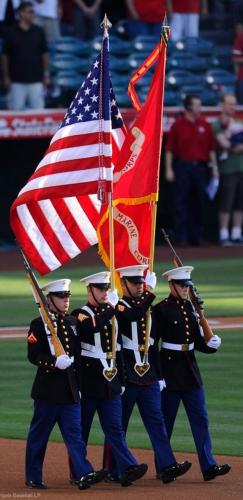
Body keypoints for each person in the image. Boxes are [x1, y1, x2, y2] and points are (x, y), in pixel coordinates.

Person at [103, 265, 192, 484]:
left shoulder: (147, 308)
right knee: (119, 425)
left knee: (157, 423)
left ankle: (167, 465)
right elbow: (133, 316)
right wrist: (151, 291)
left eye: (141, 282)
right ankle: (115, 470)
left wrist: (159, 375)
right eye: (135, 283)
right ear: (123, 284)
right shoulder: (119, 306)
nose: (140, 286)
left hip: (149, 374)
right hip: (127, 375)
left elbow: (153, 345)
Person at [25, 279, 106, 490]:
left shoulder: (72, 322)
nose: (66, 300)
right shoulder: (39, 324)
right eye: (61, 297)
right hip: (48, 393)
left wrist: (110, 308)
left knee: (75, 437)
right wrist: (53, 362)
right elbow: (33, 355)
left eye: (67, 296)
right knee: (39, 437)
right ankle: (33, 476)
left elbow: (78, 357)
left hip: (70, 391)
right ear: (50, 300)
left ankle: (84, 473)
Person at [70, 271, 148, 487]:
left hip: (111, 381)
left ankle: (128, 467)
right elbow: (88, 328)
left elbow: (119, 348)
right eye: (100, 289)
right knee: (82, 429)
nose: (105, 292)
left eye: (106, 288)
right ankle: (78, 472)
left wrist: (122, 380)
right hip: (89, 381)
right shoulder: (80, 314)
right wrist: (112, 308)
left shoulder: (113, 313)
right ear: (89, 290)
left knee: (115, 428)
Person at [154, 266, 231, 482]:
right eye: (181, 285)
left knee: (200, 419)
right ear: (171, 286)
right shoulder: (161, 309)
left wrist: (211, 345)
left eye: (187, 286)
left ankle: (208, 466)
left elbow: (197, 342)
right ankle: (163, 466)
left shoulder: (191, 308)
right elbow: (153, 346)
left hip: (190, 371)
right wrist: (158, 375)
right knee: (165, 422)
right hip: (169, 372)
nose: (185, 290)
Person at [165, 94, 219, 246]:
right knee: (181, 202)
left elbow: (211, 149)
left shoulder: (204, 124)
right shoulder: (178, 125)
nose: (199, 108)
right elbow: (169, 149)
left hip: (200, 167)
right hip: (183, 166)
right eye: (197, 105)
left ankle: (197, 236)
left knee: (200, 202)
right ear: (188, 107)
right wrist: (169, 169)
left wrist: (214, 168)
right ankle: (181, 237)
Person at [1, 1, 51, 110]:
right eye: (30, 12)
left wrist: (46, 75)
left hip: (36, 80)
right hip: (16, 81)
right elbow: (5, 56)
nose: (33, 14)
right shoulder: (10, 32)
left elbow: (45, 54)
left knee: (39, 114)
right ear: (21, 14)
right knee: (15, 114)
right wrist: (6, 77)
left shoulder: (39, 31)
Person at [213, 93, 243, 245]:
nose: (232, 107)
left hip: (241, 167)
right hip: (227, 169)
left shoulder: (239, 122)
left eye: (234, 104)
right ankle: (224, 234)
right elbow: (224, 144)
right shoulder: (217, 124)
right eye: (229, 104)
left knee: (240, 202)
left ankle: (236, 233)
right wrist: (233, 145)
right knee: (226, 202)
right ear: (222, 105)